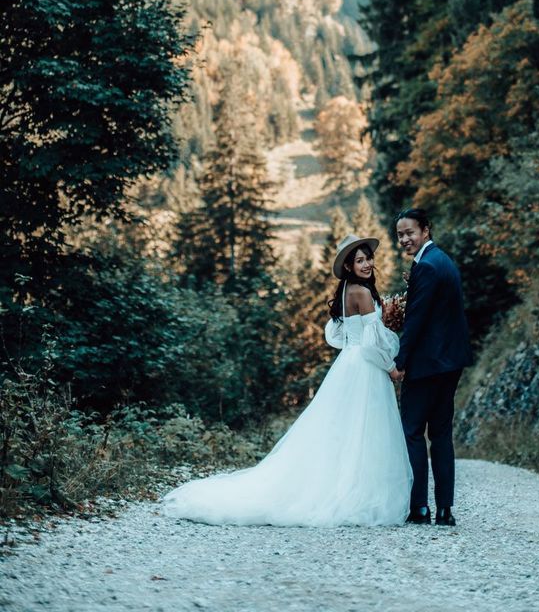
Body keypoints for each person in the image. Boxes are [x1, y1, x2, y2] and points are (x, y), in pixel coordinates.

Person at [161, 234, 412, 526]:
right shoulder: (363, 293)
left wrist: (379, 325)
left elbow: (337, 335)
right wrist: (392, 368)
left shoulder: (347, 291)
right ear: (347, 266)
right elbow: (371, 344)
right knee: (363, 429)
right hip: (366, 366)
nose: (367, 264)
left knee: (345, 429)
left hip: (349, 365)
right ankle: (357, 491)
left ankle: (343, 484)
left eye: (368, 258)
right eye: (359, 260)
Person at [389, 208, 472, 527]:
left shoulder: (425, 267)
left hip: (427, 364)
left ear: (425, 230)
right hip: (451, 362)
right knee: (440, 434)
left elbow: (417, 320)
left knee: (411, 432)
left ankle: (420, 508)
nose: (405, 239)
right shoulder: (444, 261)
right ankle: (445, 511)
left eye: (410, 232)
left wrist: (400, 363)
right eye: (400, 235)